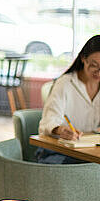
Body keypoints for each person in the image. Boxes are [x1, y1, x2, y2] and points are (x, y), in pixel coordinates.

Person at [37, 35, 100, 164]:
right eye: (94, 65)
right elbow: (48, 122)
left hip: (90, 151)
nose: (99, 72)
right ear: (83, 58)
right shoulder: (65, 84)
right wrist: (60, 130)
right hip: (59, 151)